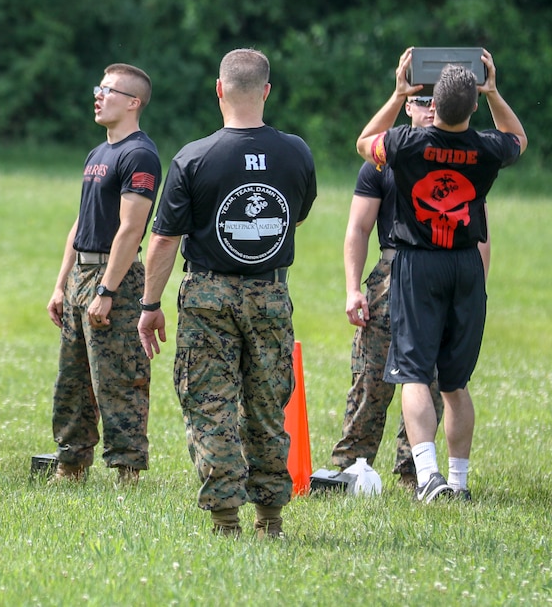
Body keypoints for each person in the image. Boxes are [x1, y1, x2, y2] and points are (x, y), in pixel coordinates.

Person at [137, 49, 316, 538]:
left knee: (210, 406)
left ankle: (225, 520)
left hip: (207, 297)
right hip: (271, 295)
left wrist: (150, 306)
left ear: (219, 90)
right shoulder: (297, 152)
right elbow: (295, 215)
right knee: (266, 408)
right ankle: (271, 519)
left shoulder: (194, 157)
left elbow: (165, 240)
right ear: (267, 91)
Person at [356, 48, 525, 502]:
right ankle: (459, 480)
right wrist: (493, 92)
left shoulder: (406, 145)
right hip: (467, 264)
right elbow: (518, 138)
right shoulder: (488, 148)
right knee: (454, 383)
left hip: (418, 262)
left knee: (413, 372)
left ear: (430, 105)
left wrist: (397, 94)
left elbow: (364, 141)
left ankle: (428, 477)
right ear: (472, 106)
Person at [331, 93, 491, 490]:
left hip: (445, 267)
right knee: (371, 375)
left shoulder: (463, 155)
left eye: (438, 99)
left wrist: (477, 289)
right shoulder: (387, 158)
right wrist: (353, 289)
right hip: (392, 270)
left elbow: (479, 230)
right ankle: (353, 463)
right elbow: (358, 228)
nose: (431, 106)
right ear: (407, 105)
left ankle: (415, 470)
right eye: (421, 99)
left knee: (431, 377)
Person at [46, 64, 162, 486]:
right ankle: (70, 465)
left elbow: (132, 229)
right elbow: (81, 223)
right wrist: (61, 284)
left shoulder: (140, 154)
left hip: (117, 279)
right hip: (82, 275)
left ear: (133, 102)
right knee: (72, 379)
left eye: (108, 90)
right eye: (99, 88)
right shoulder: (99, 153)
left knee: (118, 379)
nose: (98, 96)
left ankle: (126, 472)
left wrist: (107, 289)